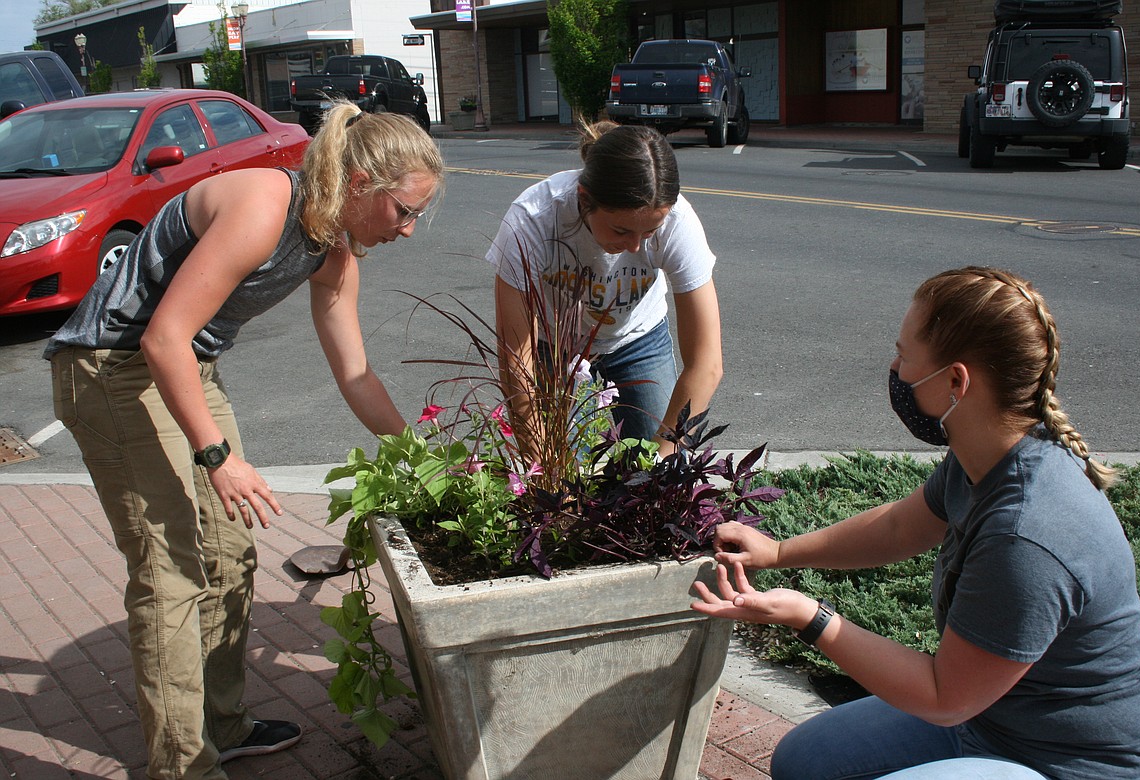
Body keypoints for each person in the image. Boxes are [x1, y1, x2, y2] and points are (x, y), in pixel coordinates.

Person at [43, 104, 443, 780]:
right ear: (360, 182)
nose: (407, 229)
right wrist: (217, 457)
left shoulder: (334, 251)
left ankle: (222, 724)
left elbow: (355, 373)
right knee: (172, 566)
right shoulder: (265, 203)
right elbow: (161, 337)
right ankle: (183, 765)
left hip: (186, 366)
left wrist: (423, 457)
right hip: (109, 367)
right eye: (404, 210)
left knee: (231, 550)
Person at [692, 266, 1140, 780]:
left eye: (904, 356)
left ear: (956, 381)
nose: (895, 368)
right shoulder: (984, 458)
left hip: (1072, 766)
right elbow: (901, 528)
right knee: (803, 762)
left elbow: (945, 698)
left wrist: (809, 617)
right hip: (992, 721)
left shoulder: (1027, 534)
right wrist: (780, 553)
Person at [487, 121, 722, 457]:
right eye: (621, 230)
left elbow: (706, 363)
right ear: (585, 199)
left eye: (649, 233)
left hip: (638, 340)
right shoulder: (533, 220)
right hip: (554, 347)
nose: (635, 246)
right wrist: (545, 468)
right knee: (564, 468)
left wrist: (659, 463)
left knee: (661, 463)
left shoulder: (678, 223)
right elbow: (516, 360)